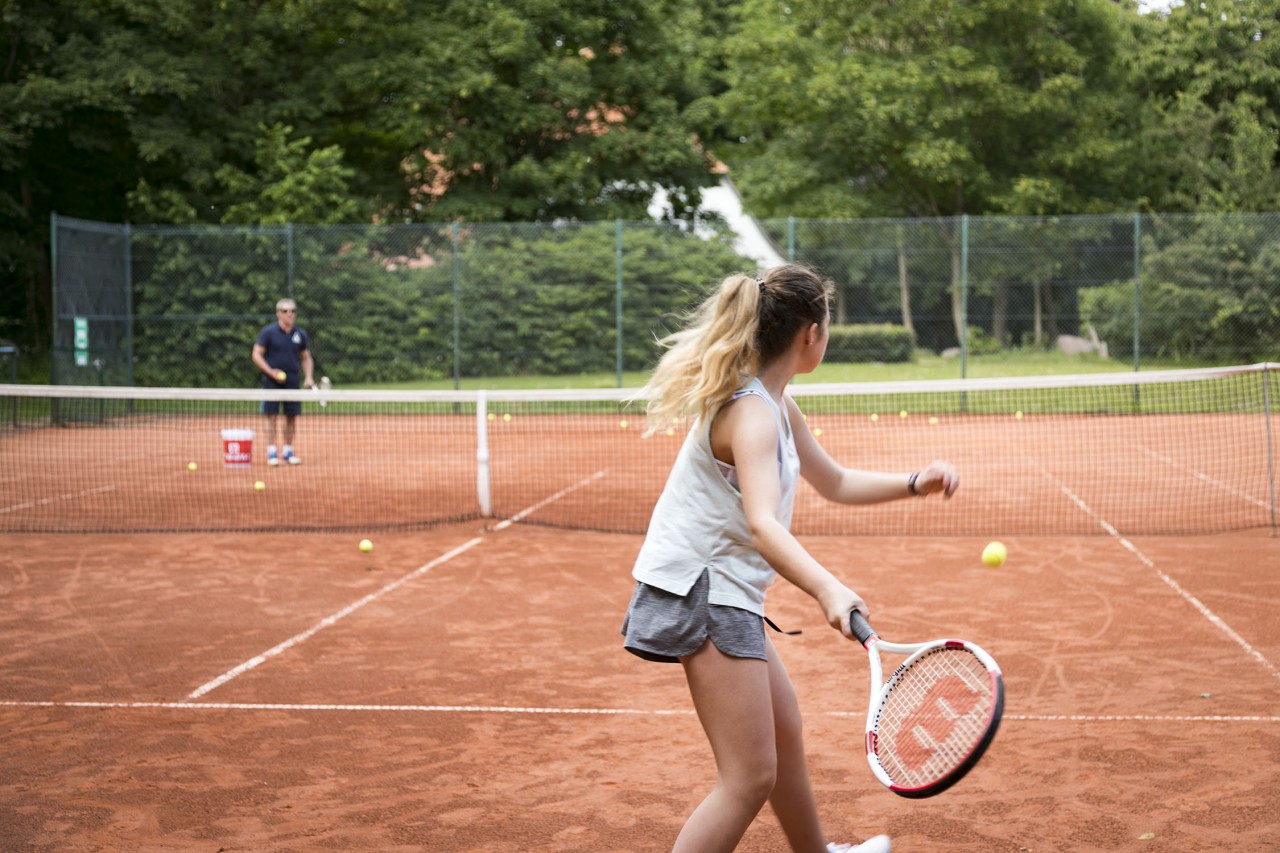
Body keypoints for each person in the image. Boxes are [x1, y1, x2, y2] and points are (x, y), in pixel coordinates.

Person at [621, 264, 959, 853]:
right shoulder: (751, 413)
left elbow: (835, 481)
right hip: (706, 592)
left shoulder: (776, 404)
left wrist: (914, 483)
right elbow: (763, 524)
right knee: (748, 778)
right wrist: (828, 589)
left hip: (725, 591)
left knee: (784, 733)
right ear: (811, 333)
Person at [251, 298, 315, 466]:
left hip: (292, 382)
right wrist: (270, 371)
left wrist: (308, 377)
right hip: (271, 382)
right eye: (285, 311)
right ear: (278, 313)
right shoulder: (268, 333)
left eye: (293, 311)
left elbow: (306, 357)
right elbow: (256, 355)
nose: (289, 314)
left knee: (291, 417)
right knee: (270, 416)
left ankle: (288, 450)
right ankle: (272, 452)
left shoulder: (300, 334)